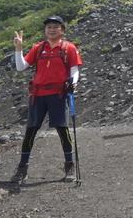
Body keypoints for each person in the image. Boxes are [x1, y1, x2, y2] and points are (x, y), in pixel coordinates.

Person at [11, 16, 83, 184]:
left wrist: (73, 83)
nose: (51, 29)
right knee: (31, 130)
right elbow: (21, 67)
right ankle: (22, 167)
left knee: (62, 129)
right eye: (49, 27)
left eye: (55, 27)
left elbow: (74, 69)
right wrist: (19, 49)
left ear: (62, 30)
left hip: (58, 94)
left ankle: (69, 165)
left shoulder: (69, 48)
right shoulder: (38, 48)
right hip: (38, 94)